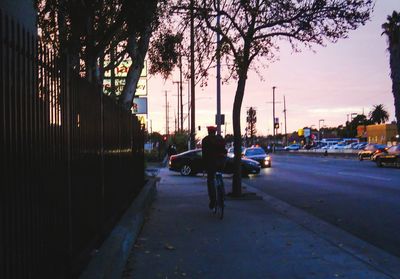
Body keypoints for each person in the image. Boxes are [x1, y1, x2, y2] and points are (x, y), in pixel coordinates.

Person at [202, 126, 227, 209]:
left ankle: (213, 201)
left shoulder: (205, 140)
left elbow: (204, 154)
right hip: (221, 162)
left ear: (209, 132)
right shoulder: (220, 138)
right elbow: (224, 150)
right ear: (215, 132)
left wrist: (204, 166)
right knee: (219, 176)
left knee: (210, 180)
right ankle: (223, 195)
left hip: (211, 163)